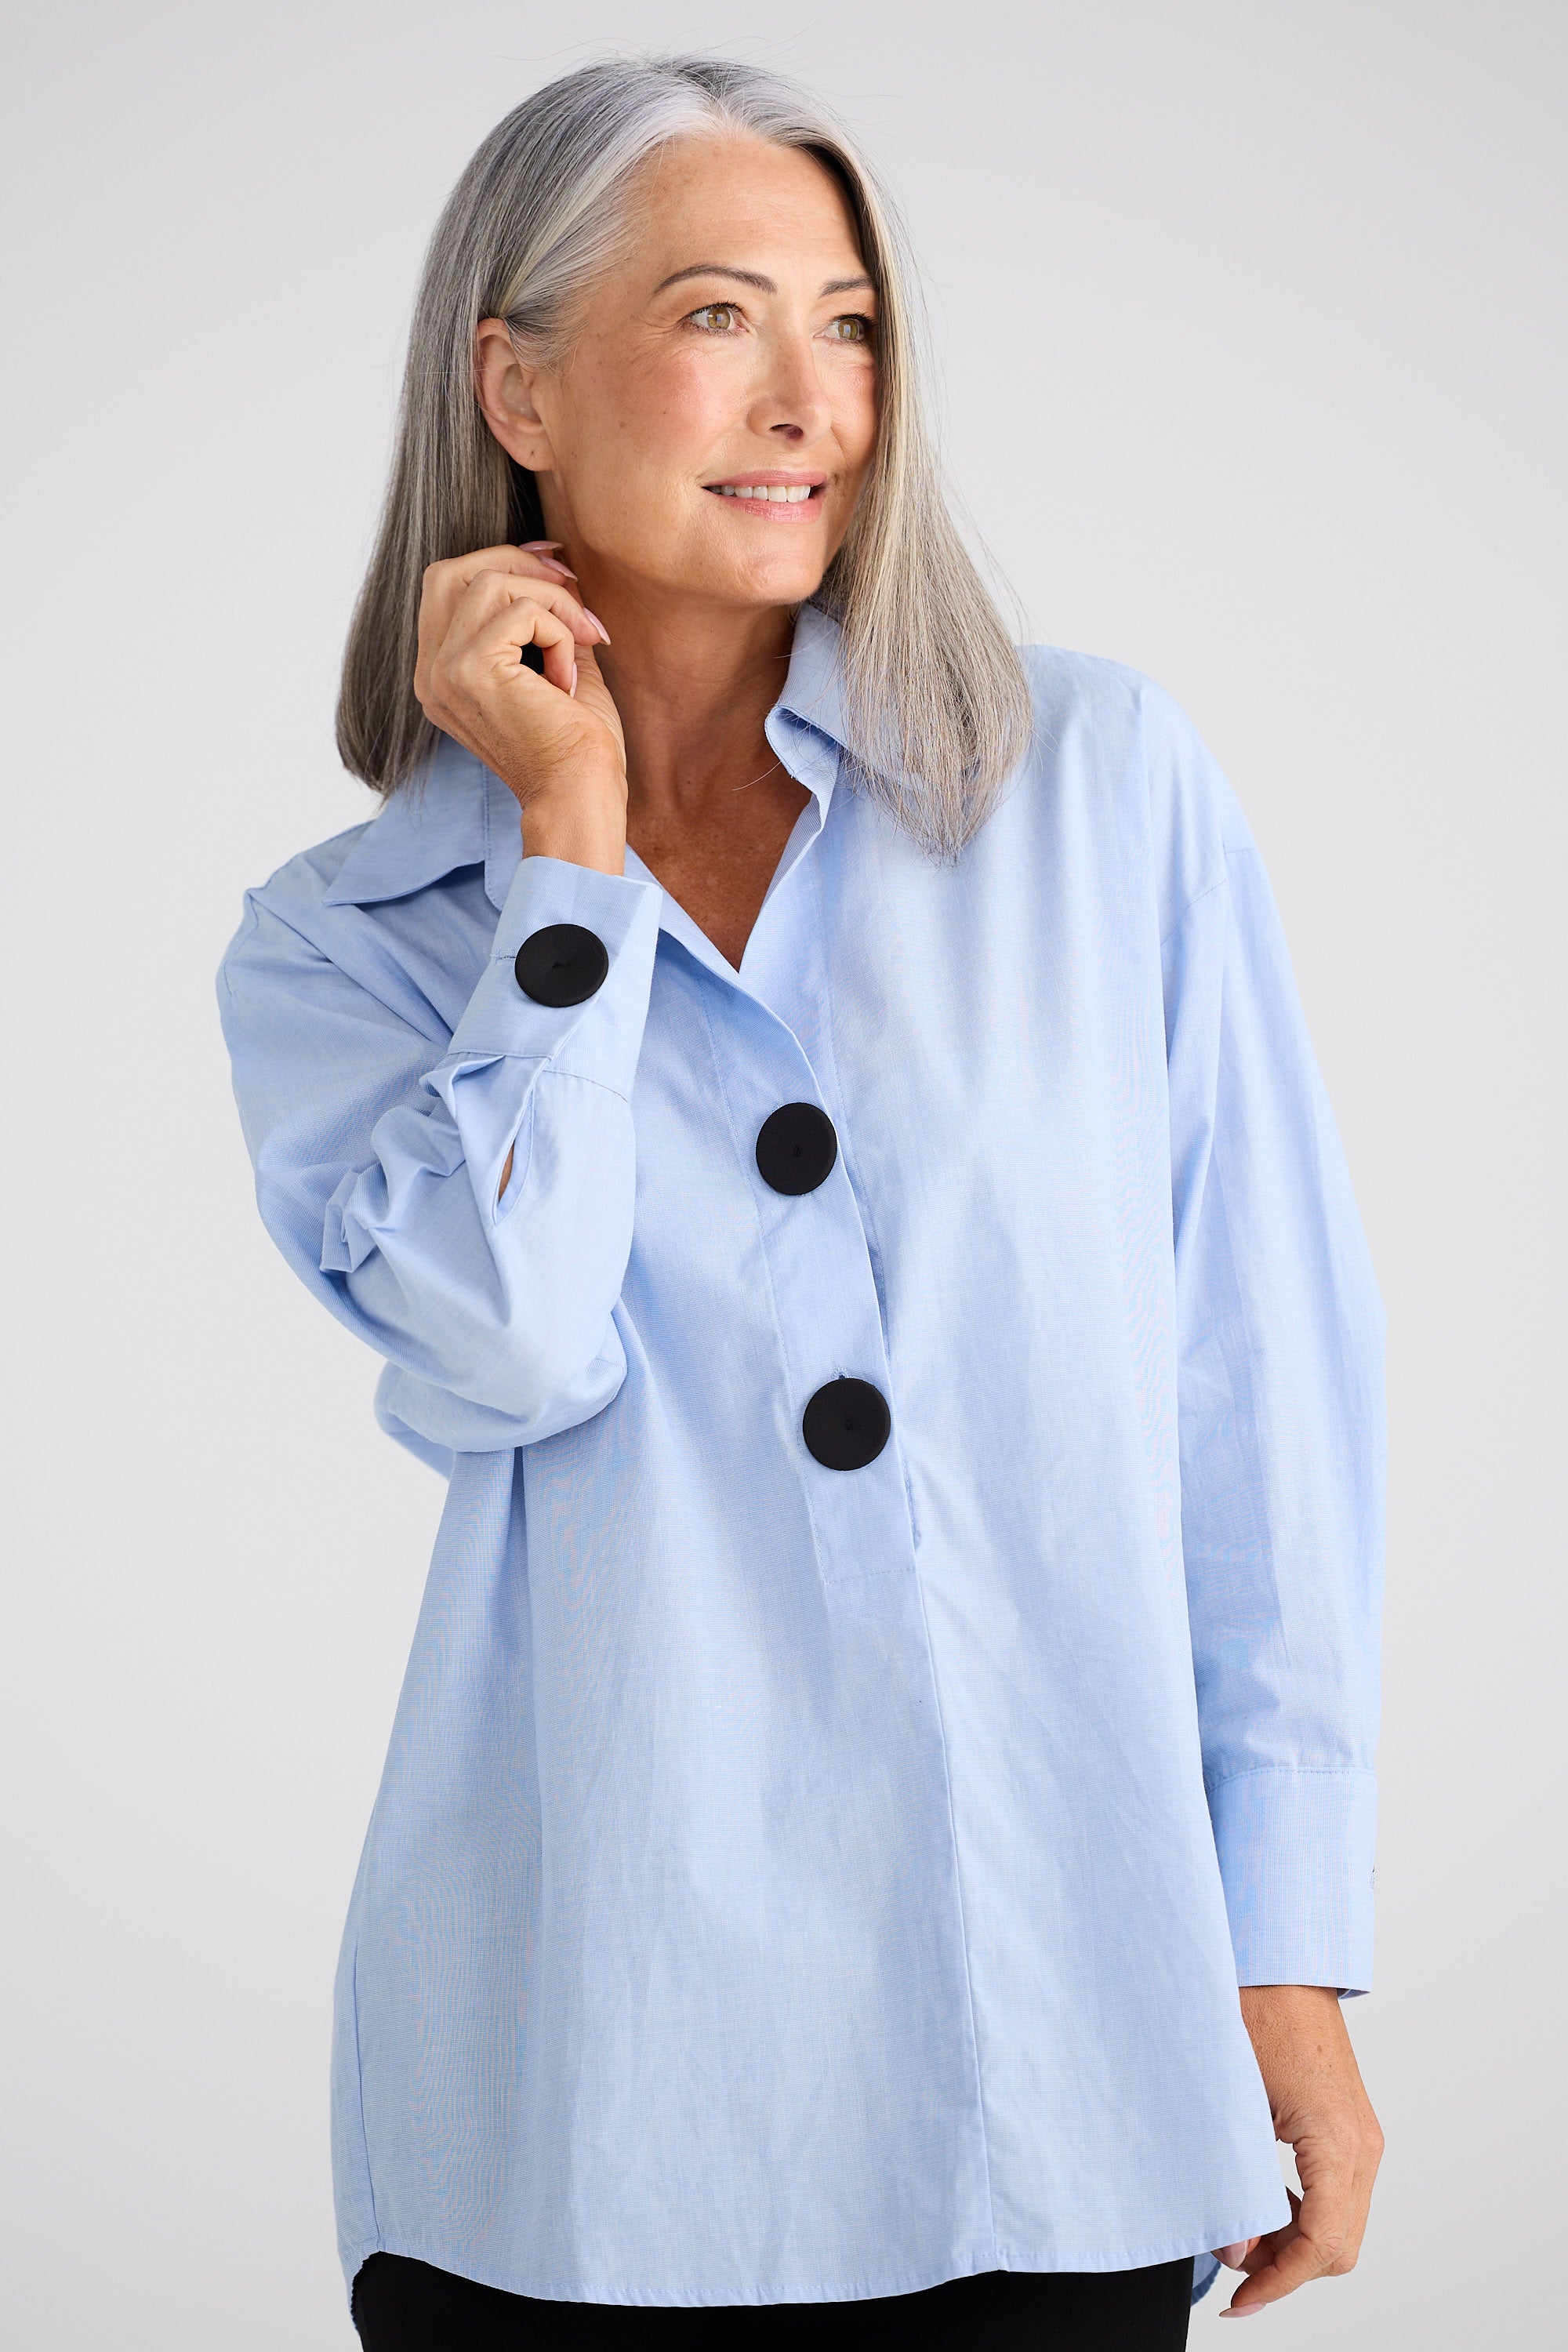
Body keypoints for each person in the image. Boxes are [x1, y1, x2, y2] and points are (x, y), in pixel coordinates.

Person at [218, 54, 1385, 2352]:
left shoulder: (1095, 790)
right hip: (582, 2100)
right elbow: (510, 1339)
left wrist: (1292, 1946)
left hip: (1056, 2061)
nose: (809, 401)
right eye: (724, 315)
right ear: (516, 380)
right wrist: (567, 854)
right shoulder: (349, 943)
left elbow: (1255, 1400)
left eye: (850, 324)